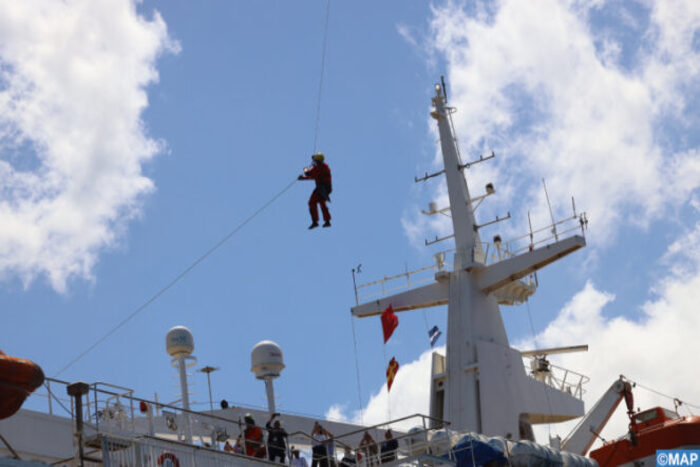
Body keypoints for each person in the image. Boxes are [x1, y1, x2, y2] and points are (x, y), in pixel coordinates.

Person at [298, 153, 332, 229]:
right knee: (322, 203)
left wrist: (305, 169)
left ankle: (315, 222)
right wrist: (303, 178)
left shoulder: (320, 167)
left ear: (318, 160)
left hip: (321, 188)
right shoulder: (324, 167)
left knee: (312, 202)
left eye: (315, 160)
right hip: (326, 188)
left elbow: (308, 173)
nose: (314, 162)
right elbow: (315, 176)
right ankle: (327, 221)